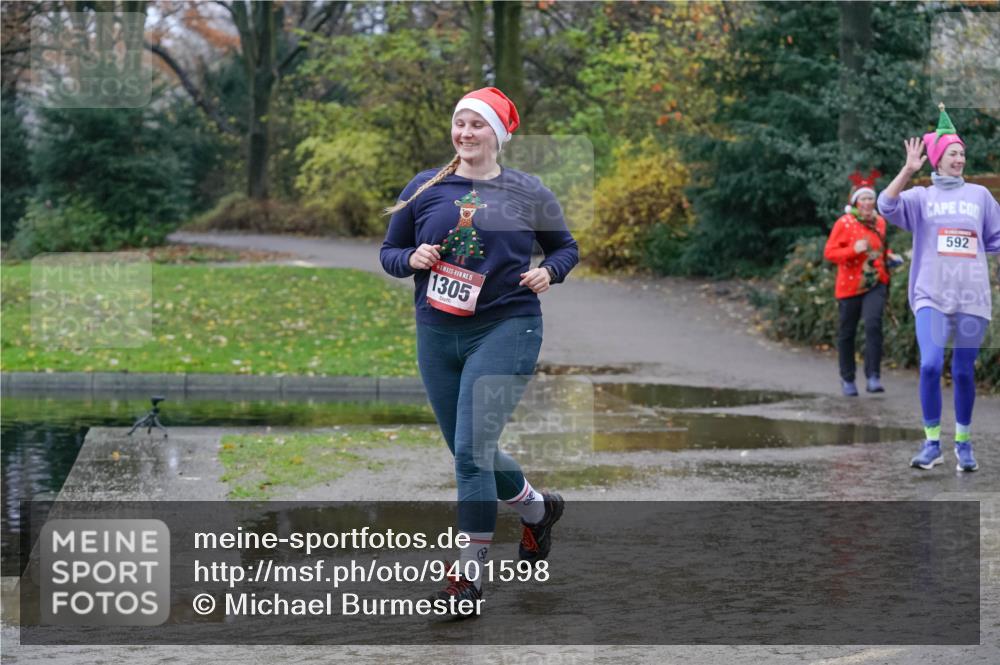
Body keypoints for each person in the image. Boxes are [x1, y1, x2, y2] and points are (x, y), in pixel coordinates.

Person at [379, 87, 579, 613]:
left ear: (498, 134)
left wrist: (548, 272)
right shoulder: (426, 187)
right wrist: (411, 258)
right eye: (460, 123)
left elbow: (565, 248)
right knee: (470, 450)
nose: (465, 133)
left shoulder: (528, 191)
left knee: (470, 451)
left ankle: (466, 579)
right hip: (437, 331)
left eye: (477, 124)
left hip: (507, 327)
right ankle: (536, 509)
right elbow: (389, 251)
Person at [877, 104, 1000, 472]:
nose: (959, 158)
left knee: (963, 371)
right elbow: (885, 204)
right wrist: (907, 171)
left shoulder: (980, 196)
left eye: (962, 153)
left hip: (971, 297)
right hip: (930, 294)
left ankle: (963, 444)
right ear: (936, 158)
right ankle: (932, 443)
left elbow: (995, 237)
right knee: (930, 365)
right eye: (952, 153)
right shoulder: (921, 198)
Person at [824, 170, 901, 396]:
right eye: (863, 198)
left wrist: (890, 257)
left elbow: (880, 248)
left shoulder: (880, 222)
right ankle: (847, 378)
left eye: (870, 198)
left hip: (875, 282)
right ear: (855, 201)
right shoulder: (844, 223)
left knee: (873, 325)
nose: (867, 202)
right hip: (849, 285)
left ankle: (873, 376)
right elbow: (829, 253)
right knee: (847, 332)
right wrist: (852, 250)